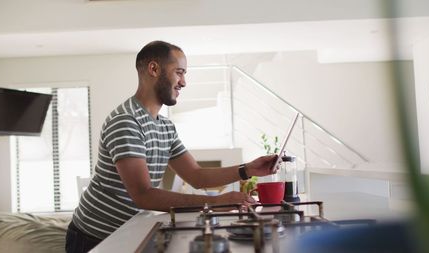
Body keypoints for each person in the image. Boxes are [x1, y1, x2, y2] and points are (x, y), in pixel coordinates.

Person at [65, 40, 278, 253]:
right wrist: (215, 203)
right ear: (154, 69)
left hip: (129, 231)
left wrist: (248, 169)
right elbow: (144, 195)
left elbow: (196, 176)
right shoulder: (126, 121)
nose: (183, 82)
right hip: (95, 237)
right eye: (179, 72)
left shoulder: (165, 126)